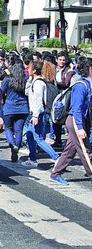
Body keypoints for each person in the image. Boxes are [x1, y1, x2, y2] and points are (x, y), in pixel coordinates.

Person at [50, 57, 92, 185]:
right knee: (85, 150)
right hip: (75, 119)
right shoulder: (81, 85)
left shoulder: (87, 83)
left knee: (70, 149)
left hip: (80, 119)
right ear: (89, 69)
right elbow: (76, 107)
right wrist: (79, 127)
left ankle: (56, 173)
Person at [22, 61, 59, 167]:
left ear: (34, 70)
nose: (27, 70)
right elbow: (27, 92)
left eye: (29, 68)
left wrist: (35, 116)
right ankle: (32, 159)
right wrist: (29, 80)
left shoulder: (38, 83)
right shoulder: (34, 81)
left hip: (37, 114)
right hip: (33, 114)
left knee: (38, 138)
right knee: (29, 135)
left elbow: (38, 101)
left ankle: (56, 157)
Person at [0, 62, 30, 162]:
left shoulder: (8, 80)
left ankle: (12, 144)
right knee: (19, 130)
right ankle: (17, 147)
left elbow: (0, 92)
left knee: (8, 128)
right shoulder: (26, 80)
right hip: (23, 107)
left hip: (9, 107)